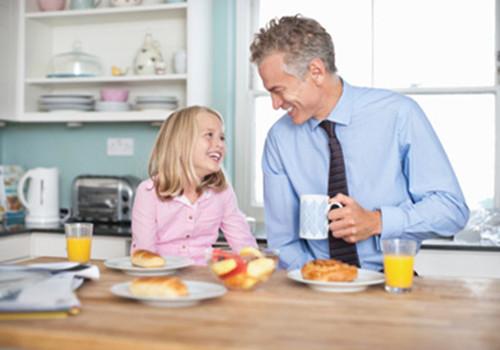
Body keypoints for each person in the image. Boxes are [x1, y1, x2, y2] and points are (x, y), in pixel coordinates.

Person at [250, 15, 469, 271]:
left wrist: (378, 222)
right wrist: (323, 278)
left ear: (316, 72)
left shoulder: (398, 115)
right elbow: (283, 242)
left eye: (279, 90)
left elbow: (451, 210)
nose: (275, 104)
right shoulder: (280, 139)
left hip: (388, 280)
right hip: (313, 284)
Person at [131, 106, 257, 265]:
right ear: (180, 143)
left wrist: (255, 263)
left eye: (222, 138)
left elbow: (243, 241)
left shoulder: (222, 192)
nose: (219, 144)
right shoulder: (148, 192)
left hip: (204, 277)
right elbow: (144, 254)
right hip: (160, 275)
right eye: (209, 135)